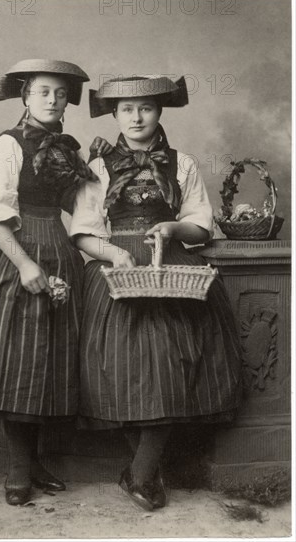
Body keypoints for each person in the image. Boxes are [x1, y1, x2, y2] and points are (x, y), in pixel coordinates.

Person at [70, 75, 243, 511]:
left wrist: (173, 227)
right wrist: (112, 254)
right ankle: (143, 470)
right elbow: (83, 232)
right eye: (126, 109)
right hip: (117, 270)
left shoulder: (181, 163)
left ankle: (142, 472)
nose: (136, 116)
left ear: (160, 112)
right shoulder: (99, 166)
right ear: (114, 114)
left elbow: (200, 224)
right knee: (123, 368)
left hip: (171, 269)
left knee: (171, 365)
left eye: (145, 108)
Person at [0, 59, 99, 506]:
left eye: (62, 94)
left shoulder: (68, 151)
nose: (53, 100)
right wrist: (26, 265)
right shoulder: (4, 147)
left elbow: (84, 208)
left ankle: (33, 462)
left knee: (46, 363)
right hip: (13, 252)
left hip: (60, 252)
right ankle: (17, 470)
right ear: (26, 95)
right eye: (44, 92)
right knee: (16, 361)